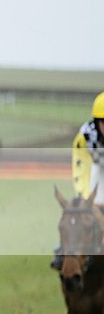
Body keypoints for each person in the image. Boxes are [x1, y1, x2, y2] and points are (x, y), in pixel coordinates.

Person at [52, 91, 104, 269]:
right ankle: (63, 251)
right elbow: (81, 170)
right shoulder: (85, 136)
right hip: (95, 168)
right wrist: (86, 200)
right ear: (96, 122)